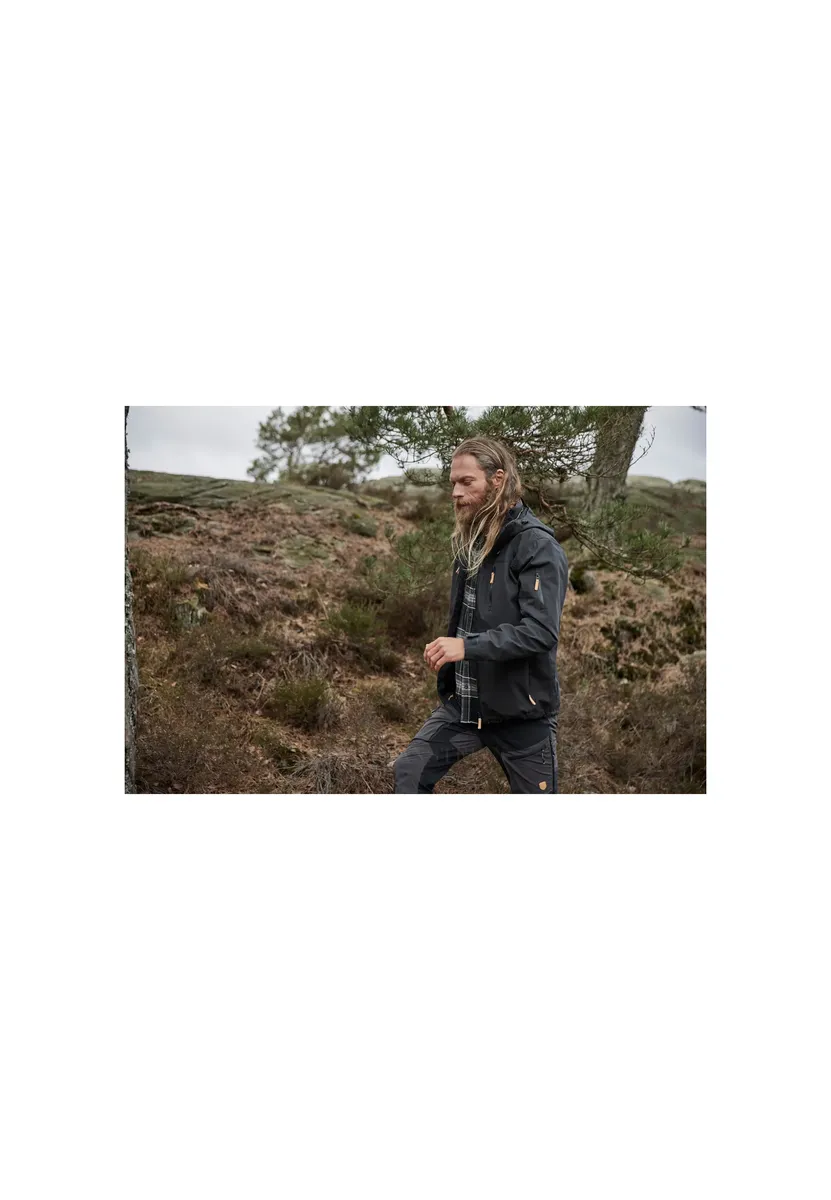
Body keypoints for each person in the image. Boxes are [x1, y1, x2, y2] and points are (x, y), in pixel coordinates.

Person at [393, 436, 569, 794]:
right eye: (453, 483)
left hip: (522, 716)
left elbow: (540, 631)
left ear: (498, 480)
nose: (456, 493)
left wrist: (465, 646)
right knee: (409, 772)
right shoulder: (471, 540)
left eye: (466, 482)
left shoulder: (537, 546)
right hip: (465, 707)